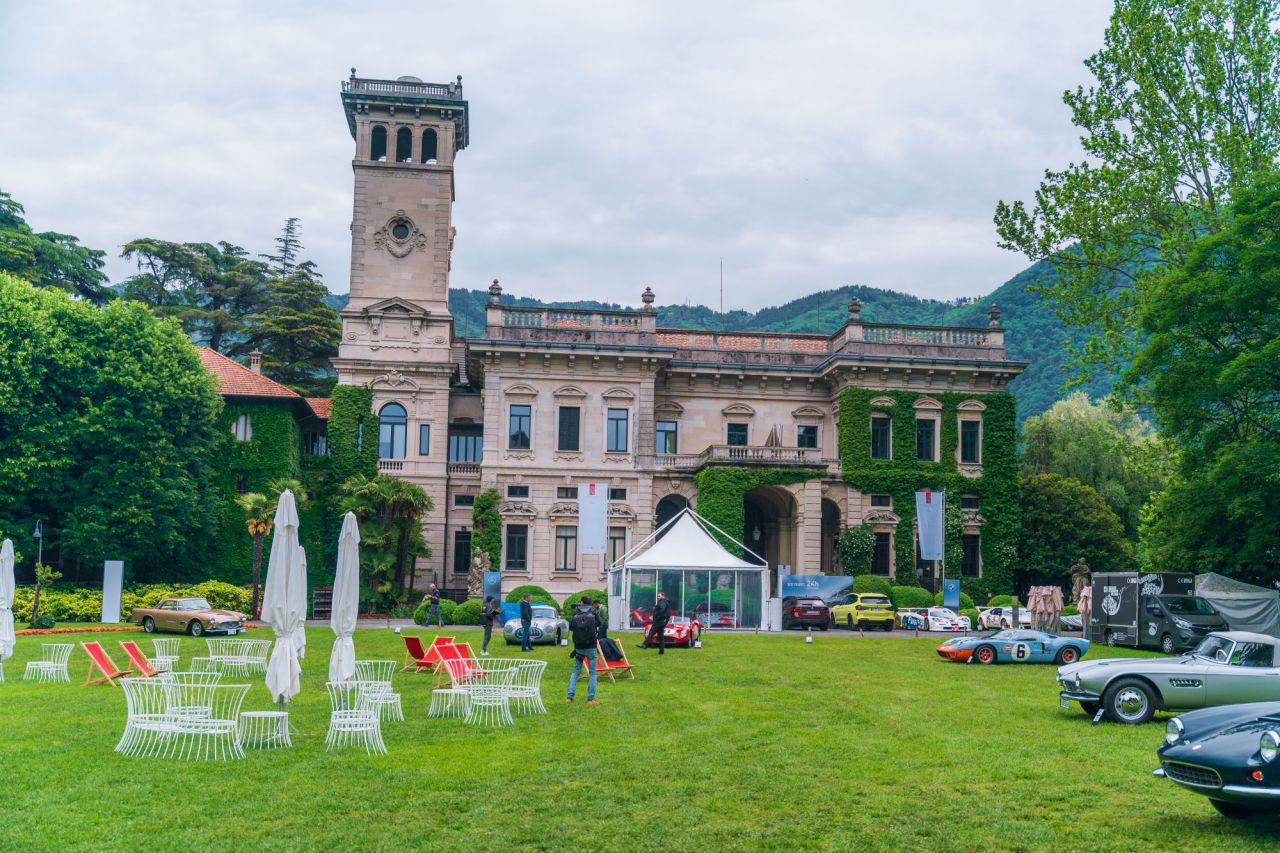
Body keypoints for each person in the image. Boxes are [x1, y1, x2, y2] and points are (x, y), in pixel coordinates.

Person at [567, 595, 600, 704]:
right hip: (591, 646)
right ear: (590, 603)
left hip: (579, 647)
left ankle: (569, 696)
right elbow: (600, 623)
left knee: (576, 671)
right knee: (593, 672)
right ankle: (591, 698)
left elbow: (571, 628)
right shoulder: (593, 612)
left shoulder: (575, 613)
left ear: (581, 602)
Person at [639, 591, 671, 655]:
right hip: (663, 622)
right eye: (657, 596)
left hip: (659, 621)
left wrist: (657, 616)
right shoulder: (666, 602)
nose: (658, 597)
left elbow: (662, 609)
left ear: (663, 596)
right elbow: (666, 612)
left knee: (651, 632)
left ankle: (645, 644)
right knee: (661, 637)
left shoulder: (662, 602)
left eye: (659, 596)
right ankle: (661, 651)